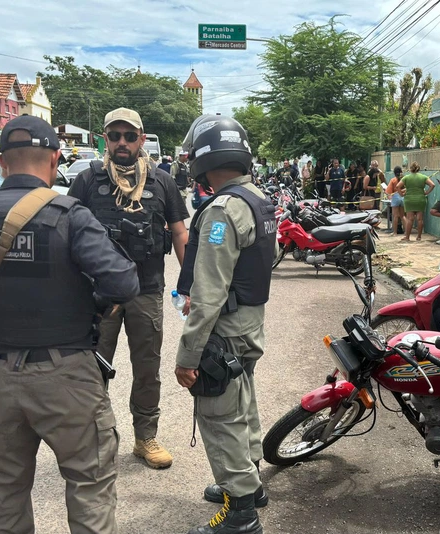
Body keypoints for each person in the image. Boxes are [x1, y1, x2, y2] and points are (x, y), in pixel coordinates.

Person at [0, 115, 140, 533]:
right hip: (69, 376)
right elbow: (123, 282)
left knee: (2, 491)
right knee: (89, 485)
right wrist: (93, 303)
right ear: (54, 160)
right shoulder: (71, 216)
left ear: (1, 162)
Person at [68, 107, 190, 469]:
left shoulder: (162, 180)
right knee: (93, 367)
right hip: (96, 294)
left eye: (129, 135)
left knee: (147, 368)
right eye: (114, 135)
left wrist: (190, 284)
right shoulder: (88, 179)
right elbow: (66, 231)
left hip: (146, 289)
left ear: (141, 138)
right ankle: (95, 441)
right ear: (105, 138)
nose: (122, 142)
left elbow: (180, 231)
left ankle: (145, 438)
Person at [174, 115, 273, 534]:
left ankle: (241, 512)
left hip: (226, 331)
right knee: (242, 402)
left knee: (220, 414)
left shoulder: (222, 210)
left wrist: (187, 355)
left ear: (202, 160)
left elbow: (209, 293)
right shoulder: (256, 198)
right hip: (249, 325)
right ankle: (250, 483)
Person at [397, 162, 435, 242]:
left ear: (410, 169)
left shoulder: (406, 178)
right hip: (420, 199)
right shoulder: (423, 177)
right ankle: (419, 237)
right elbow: (432, 185)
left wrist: (401, 194)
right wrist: (426, 192)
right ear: (418, 168)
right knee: (420, 219)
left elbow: (398, 186)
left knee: (410, 219)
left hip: (409, 200)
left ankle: (407, 237)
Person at [386, 166, 405, 234]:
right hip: (403, 197)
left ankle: (395, 232)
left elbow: (388, 191)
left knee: (395, 216)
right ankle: (406, 232)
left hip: (395, 197)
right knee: (402, 216)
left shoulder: (393, 180)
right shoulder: (404, 179)